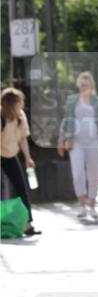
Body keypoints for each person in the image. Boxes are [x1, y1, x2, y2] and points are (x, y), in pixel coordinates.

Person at [58, 71, 98, 220]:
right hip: (76, 142)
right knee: (78, 173)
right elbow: (66, 120)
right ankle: (82, 204)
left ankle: (92, 204)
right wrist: (61, 140)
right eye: (81, 84)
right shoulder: (72, 100)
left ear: (91, 85)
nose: (83, 87)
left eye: (86, 84)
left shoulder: (97, 101)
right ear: (78, 85)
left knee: (94, 174)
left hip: (94, 142)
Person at [1, 87, 40, 236]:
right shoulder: (1, 117)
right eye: (19, 102)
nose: (22, 104)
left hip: (11, 155)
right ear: (11, 104)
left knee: (21, 188)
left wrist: (28, 158)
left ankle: (28, 225)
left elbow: (23, 139)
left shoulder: (21, 117)